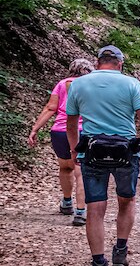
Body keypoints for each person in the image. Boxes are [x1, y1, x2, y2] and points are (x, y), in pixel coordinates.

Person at [65, 45, 140, 266]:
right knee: (126, 200)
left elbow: (71, 122)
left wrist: (75, 151)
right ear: (120, 63)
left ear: (97, 62)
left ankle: (98, 265)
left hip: (93, 151)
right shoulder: (132, 84)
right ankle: (120, 251)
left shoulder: (78, 84)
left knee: (95, 209)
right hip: (125, 152)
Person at [27, 59, 95, 226]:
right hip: (83, 131)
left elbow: (50, 108)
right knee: (81, 170)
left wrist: (35, 129)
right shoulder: (92, 85)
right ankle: (80, 212)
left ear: (71, 69)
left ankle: (66, 202)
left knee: (65, 167)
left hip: (59, 131)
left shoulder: (61, 84)